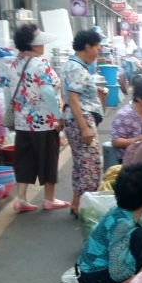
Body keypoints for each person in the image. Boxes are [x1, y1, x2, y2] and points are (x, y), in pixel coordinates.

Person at [7, 24, 68, 213]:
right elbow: (48, 92)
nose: (43, 47)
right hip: (43, 121)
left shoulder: (13, 64)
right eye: (40, 43)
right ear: (33, 45)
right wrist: (58, 117)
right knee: (49, 158)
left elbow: (8, 92)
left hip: (22, 121)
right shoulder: (41, 63)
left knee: (24, 158)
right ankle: (49, 198)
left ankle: (22, 199)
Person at [63, 30, 108, 215]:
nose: (98, 52)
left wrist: (94, 89)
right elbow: (73, 100)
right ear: (88, 47)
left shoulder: (72, 65)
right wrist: (84, 128)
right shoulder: (76, 67)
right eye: (97, 48)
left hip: (75, 119)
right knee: (91, 165)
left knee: (81, 164)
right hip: (80, 121)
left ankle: (77, 203)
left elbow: (72, 94)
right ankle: (87, 209)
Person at [111, 79, 142, 163]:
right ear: (138, 98)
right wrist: (138, 140)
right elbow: (115, 142)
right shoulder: (124, 114)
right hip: (129, 160)